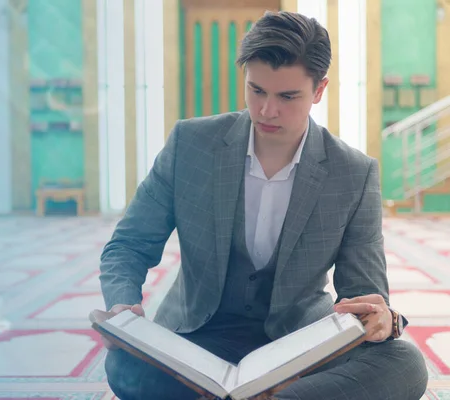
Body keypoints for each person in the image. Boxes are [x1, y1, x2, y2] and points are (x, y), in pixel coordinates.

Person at [91, 10, 428, 400]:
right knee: (123, 364)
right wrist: (122, 307)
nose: (267, 110)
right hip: (195, 338)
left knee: (403, 364)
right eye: (257, 91)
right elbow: (129, 245)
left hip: (299, 345)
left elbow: (363, 291)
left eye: (287, 96)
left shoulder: (353, 172)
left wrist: (380, 316)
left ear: (319, 90)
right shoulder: (191, 145)